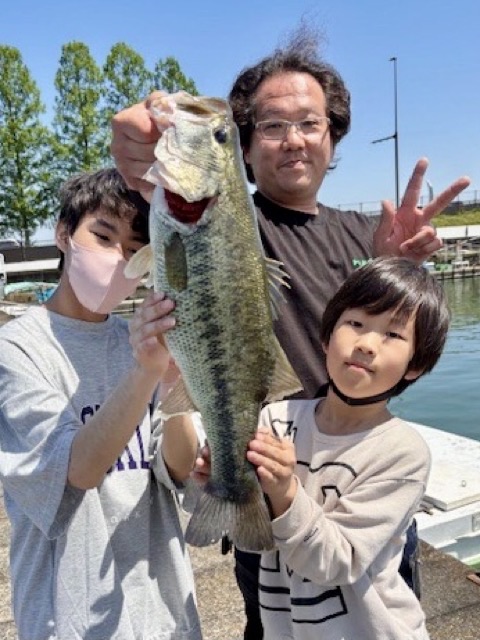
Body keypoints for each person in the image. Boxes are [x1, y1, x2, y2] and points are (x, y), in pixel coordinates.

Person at [110, 29, 470, 639]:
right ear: (246, 148)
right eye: (272, 126)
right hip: (266, 479)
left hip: (359, 495)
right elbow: (147, 176)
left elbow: (394, 351)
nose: (294, 139)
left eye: (310, 123)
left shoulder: (366, 232)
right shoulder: (225, 216)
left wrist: (394, 270)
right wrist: (140, 146)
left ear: (333, 137)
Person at [0, 168, 203, 640]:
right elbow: (78, 470)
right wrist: (146, 372)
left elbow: (177, 468)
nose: (117, 259)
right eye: (104, 236)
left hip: (163, 611)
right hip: (70, 618)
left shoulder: (139, 341)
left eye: (134, 249)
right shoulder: (17, 349)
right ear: (64, 234)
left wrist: (172, 382)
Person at [242, 256, 449, 640]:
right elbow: (244, 524)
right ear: (327, 336)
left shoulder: (402, 453)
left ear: (415, 364)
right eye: (355, 324)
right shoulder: (276, 419)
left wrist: (285, 492)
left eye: (393, 335)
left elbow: (338, 561)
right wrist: (223, 477)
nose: (367, 344)